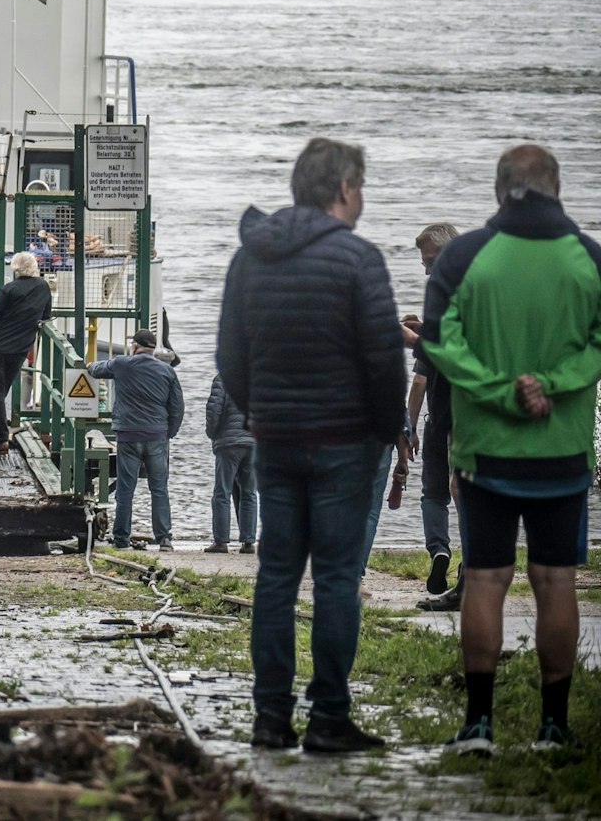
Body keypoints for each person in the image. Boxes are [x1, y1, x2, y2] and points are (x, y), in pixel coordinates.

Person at [216, 137, 405, 754]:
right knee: (335, 579)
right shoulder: (358, 259)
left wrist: (261, 413)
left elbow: (230, 355)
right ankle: (328, 717)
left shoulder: (251, 258)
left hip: (276, 439)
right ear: (345, 190)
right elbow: (384, 360)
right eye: (362, 188)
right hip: (344, 441)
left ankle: (270, 718)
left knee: (275, 576)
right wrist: (386, 431)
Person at [421, 144, 599, 754]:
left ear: (500, 191)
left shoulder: (465, 257)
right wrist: (550, 387)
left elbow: (439, 344)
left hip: (484, 453)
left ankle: (479, 725)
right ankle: (554, 726)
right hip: (562, 452)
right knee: (555, 583)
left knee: (486, 582)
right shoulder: (589, 259)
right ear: (557, 189)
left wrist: (500, 392)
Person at [401, 222, 462, 610]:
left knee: (447, 493)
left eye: (430, 261)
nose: (426, 271)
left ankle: (450, 561)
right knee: (453, 492)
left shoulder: (458, 291)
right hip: (447, 411)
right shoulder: (450, 292)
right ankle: (463, 578)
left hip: (457, 412)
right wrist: (425, 332)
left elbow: (454, 356)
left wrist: (415, 341)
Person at [94, 329, 185, 550]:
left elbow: (97, 370)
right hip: (156, 436)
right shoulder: (167, 371)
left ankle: (122, 539)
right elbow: (177, 408)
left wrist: (88, 367)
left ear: (134, 346)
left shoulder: (122, 364)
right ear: (153, 348)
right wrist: (168, 433)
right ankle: (164, 538)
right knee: (159, 488)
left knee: (126, 488)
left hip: (128, 435)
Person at [0, 252, 52, 456]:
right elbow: (46, 315)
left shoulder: (8, 290)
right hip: (21, 348)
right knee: (1, 391)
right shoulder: (43, 287)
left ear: (15, 269)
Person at [205, 372, 257, 554]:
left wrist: (212, 433)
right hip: (254, 442)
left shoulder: (223, 378)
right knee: (249, 493)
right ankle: (249, 542)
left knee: (222, 492)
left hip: (228, 443)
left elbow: (214, 410)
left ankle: (220, 541)